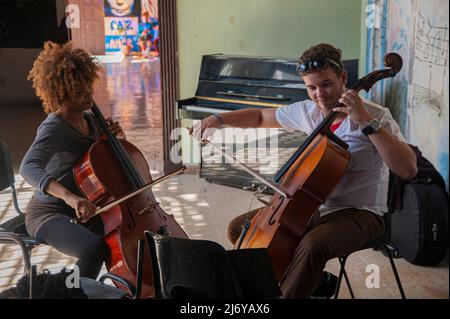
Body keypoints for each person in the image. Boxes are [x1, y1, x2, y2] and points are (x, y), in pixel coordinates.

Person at [192, 43, 418, 298]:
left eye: (326, 84)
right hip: (313, 207)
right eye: (311, 87)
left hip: (361, 213)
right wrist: (220, 120)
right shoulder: (306, 112)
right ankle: (313, 280)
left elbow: (408, 168)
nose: (319, 94)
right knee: (241, 228)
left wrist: (365, 120)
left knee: (313, 245)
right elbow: (259, 117)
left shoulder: (377, 116)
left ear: (343, 78)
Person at [20, 41, 126, 279]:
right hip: (49, 213)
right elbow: (28, 167)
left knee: (127, 237)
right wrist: (70, 197)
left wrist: (115, 138)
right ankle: (69, 294)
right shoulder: (54, 126)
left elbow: (104, 161)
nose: (88, 95)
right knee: (94, 249)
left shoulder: (91, 118)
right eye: (78, 92)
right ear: (61, 93)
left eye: (88, 87)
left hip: (87, 208)